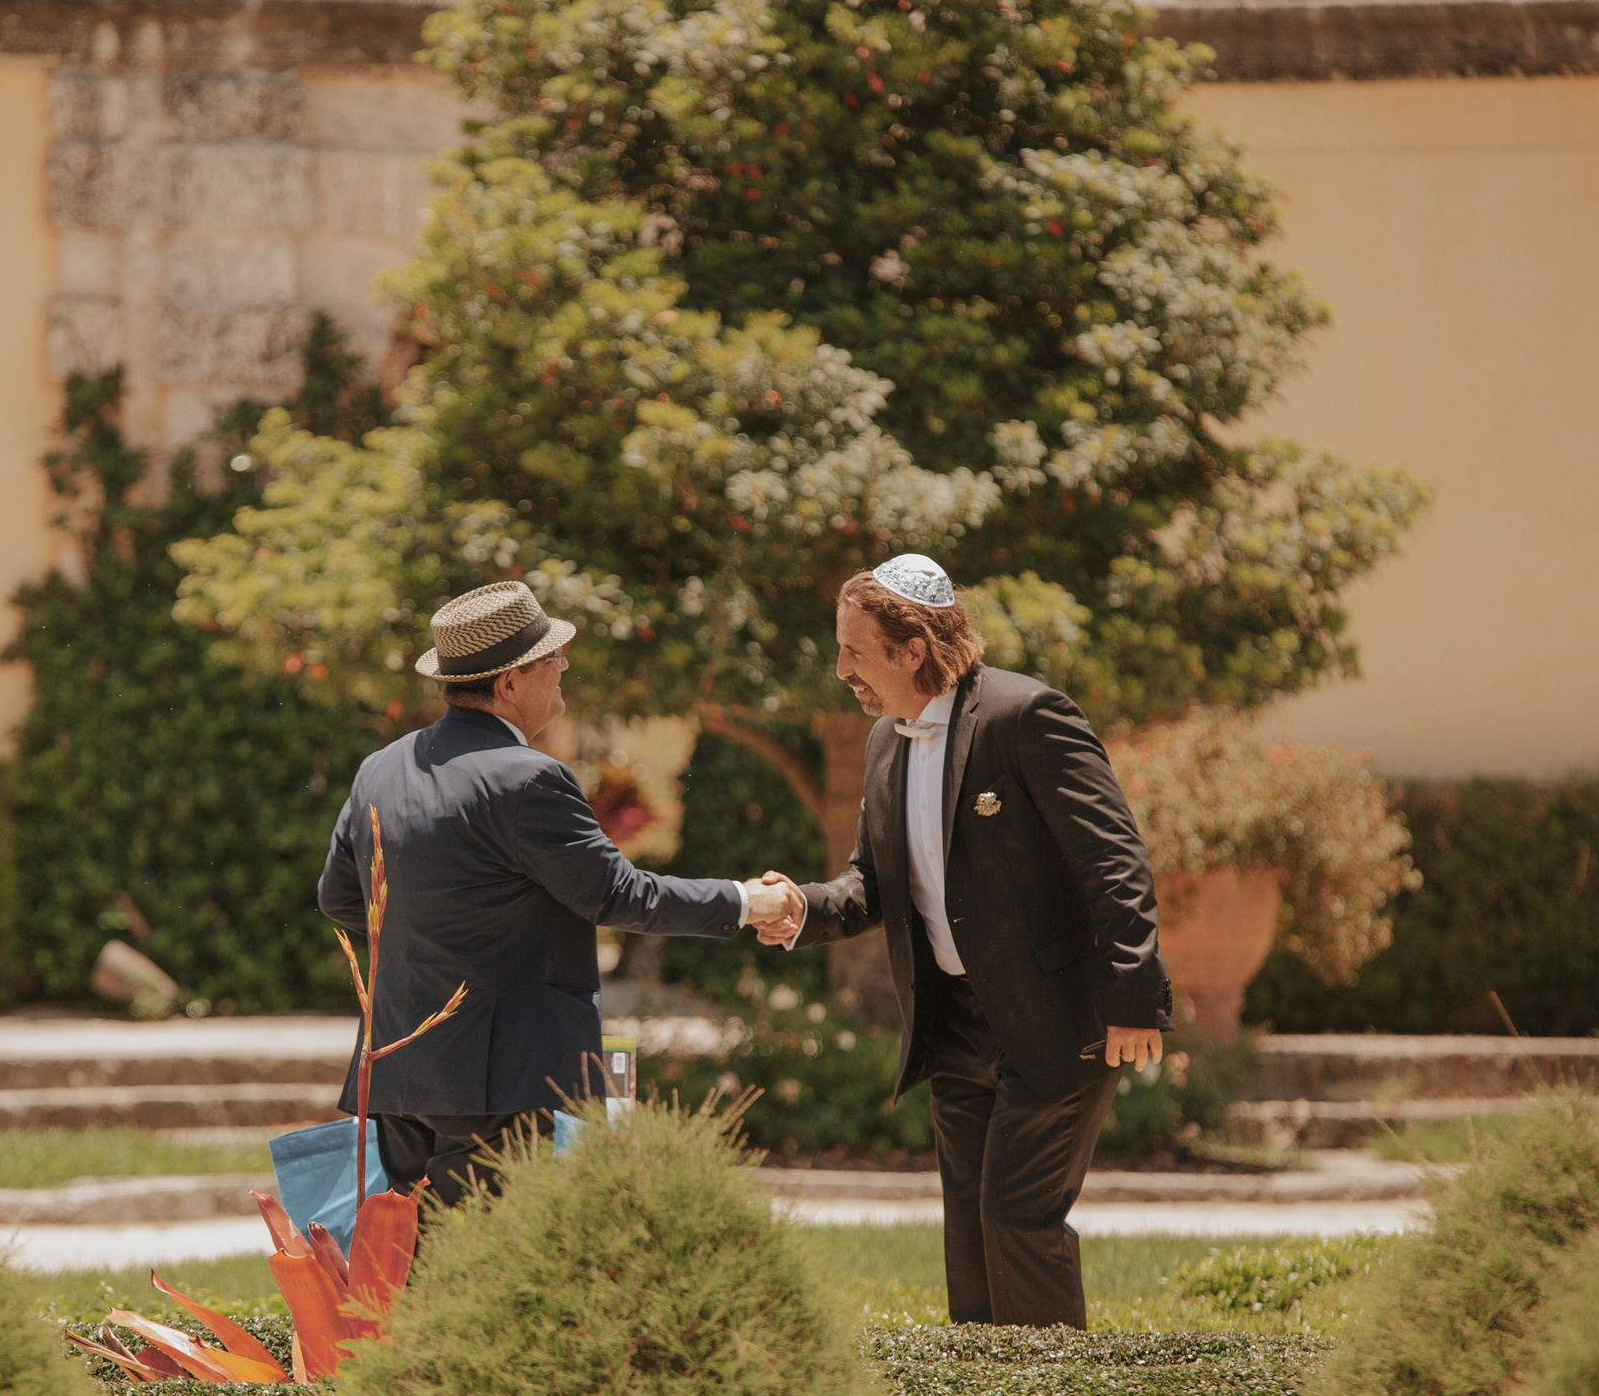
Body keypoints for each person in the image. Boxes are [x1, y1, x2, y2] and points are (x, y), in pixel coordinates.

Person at [750, 554, 1169, 1328]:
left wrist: (1134, 996)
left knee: (1016, 1216)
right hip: (956, 1030)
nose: (840, 669)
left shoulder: (1027, 717)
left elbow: (1115, 863)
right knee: (971, 1237)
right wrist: (800, 907)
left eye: (855, 650)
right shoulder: (887, 743)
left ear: (913, 649)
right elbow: (873, 883)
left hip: (1055, 1021)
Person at [319, 580, 802, 1203]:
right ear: (509, 684)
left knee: (409, 1273)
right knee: (490, 1275)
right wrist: (745, 900)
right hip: (504, 1079)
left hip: (396, 1068)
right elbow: (621, 895)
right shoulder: (528, 778)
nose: (564, 667)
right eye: (550, 659)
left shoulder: (380, 767)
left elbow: (340, 898)